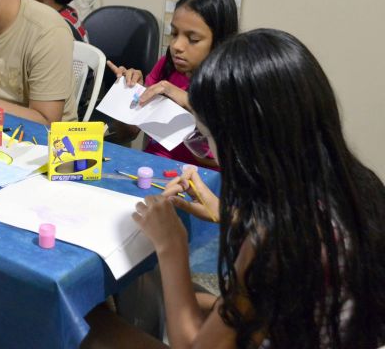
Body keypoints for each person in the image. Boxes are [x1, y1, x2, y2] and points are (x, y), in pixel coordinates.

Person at [126, 29, 385, 348]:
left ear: (244, 145)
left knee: (100, 327)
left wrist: (171, 244)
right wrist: (227, 214)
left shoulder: (274, 242)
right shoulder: (361, 187)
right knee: (192, 299)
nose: (209, 147)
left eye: (208, 136)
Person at [108, 0, 238, 167]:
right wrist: (126, 95)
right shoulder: (167, 65)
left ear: (219, 41)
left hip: (196, 181)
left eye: (193, 39)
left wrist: (188, 101)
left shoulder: (230, 84)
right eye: (174, 33)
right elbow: (127, 134)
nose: (177, 45)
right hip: (150, 167)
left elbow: (223, 163)